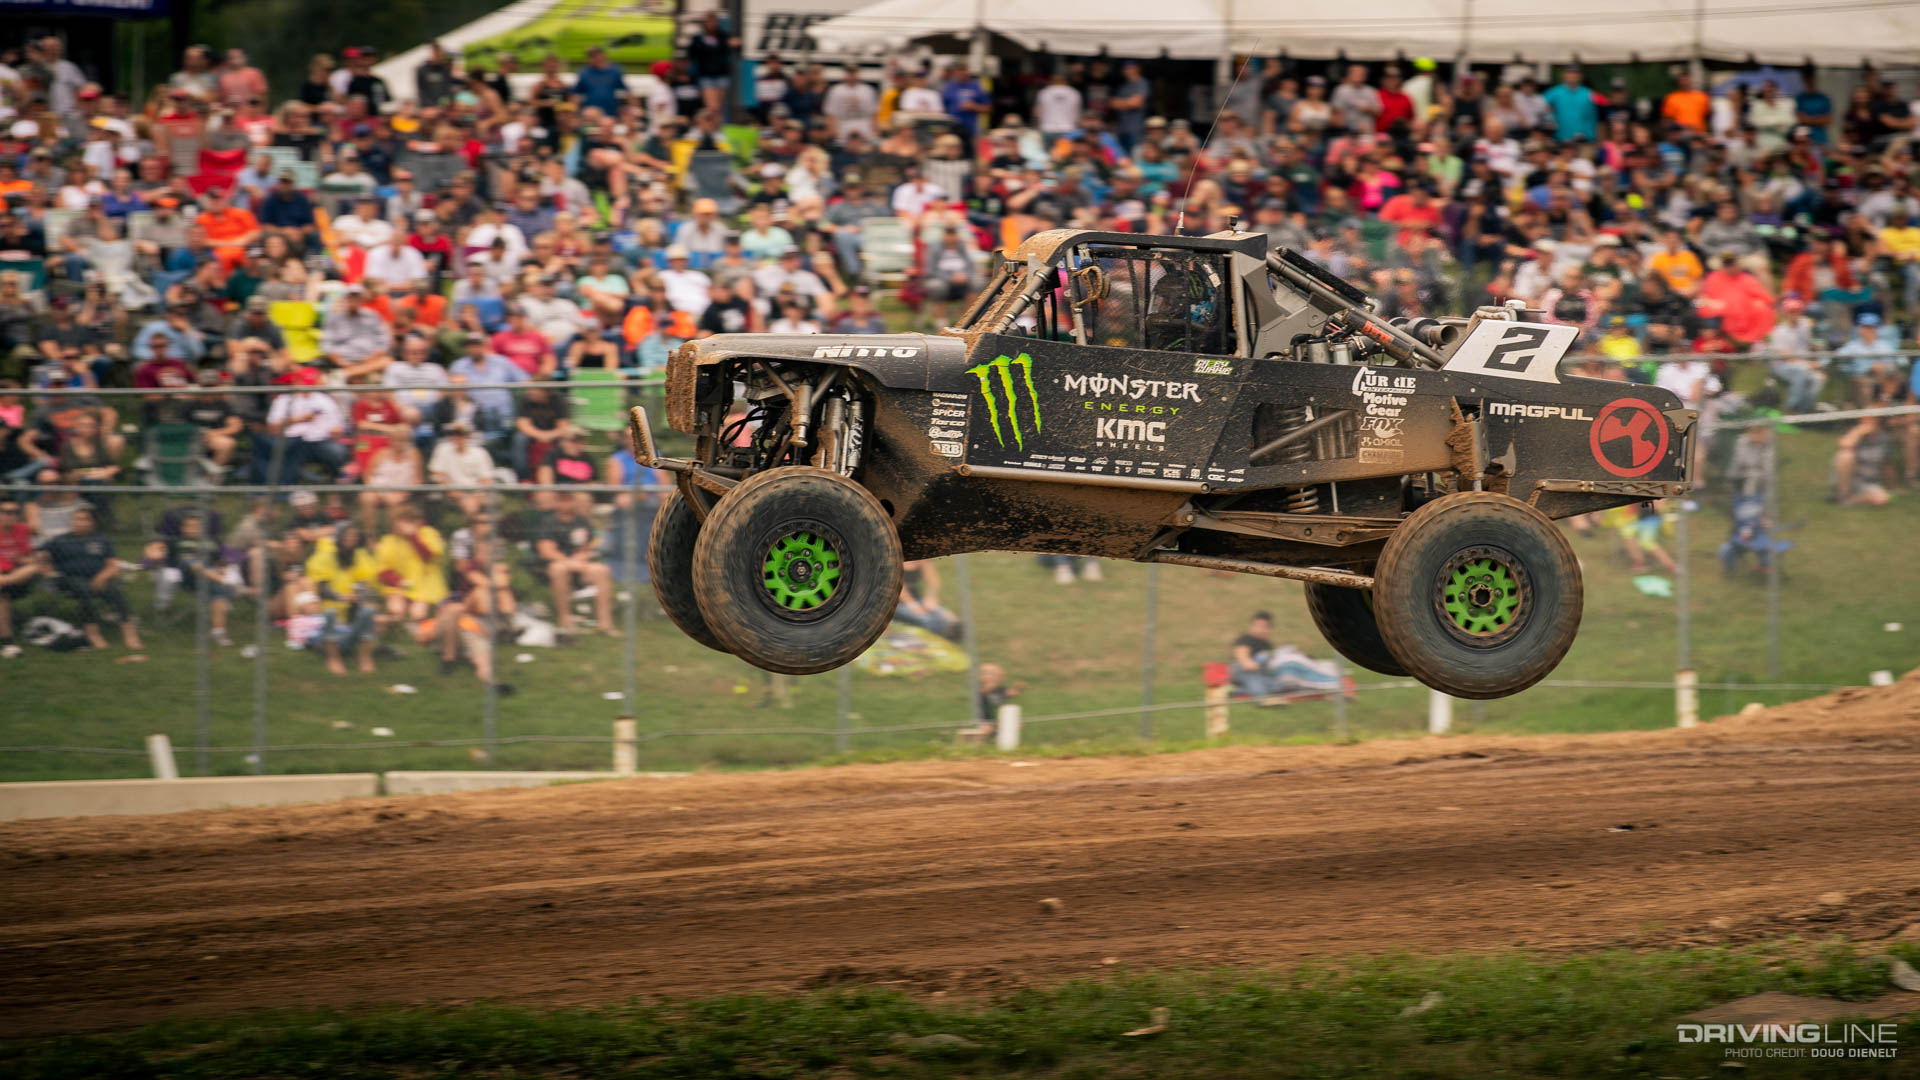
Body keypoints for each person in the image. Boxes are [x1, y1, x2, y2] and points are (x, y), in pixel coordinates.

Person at [41, 507, 142, 653]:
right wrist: (48, 570)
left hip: (99, 577)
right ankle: (93, 633)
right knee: (84, 590)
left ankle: (129, 634)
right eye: (77, 519)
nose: (81, 523)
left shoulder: (101, 539)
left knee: (116, 592)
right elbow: (42, 557)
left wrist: (101, 577)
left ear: (92, 523)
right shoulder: (60, 540)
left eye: (85, 519)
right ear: (72, 522)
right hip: (70, 579)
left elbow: (112, 565)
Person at [305, 521, 380, 674]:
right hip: (327, 622)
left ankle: (365, 658)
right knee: (330, 613)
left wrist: (359, 596)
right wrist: (341, 597)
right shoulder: (325, 557)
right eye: (348, 535)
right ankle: (333, 659)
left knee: (368, 611)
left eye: (354, 535)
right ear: (339, 537)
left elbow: (363, 583)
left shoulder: (360, 556)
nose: (352, 538)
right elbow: (322, 589)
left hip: (348, 623)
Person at [534, 498, 616, 635]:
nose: (565, 503)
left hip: (578, 564)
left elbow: (586, 547)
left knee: (601, 570)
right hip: (556, 565)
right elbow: (546, 551)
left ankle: (605, 625)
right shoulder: (548, 522)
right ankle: (565, 621)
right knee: (558, 569)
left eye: (568, 499)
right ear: (556, 502)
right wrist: (569, 562)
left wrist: (581, 557)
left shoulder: (581, 521)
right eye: (561, 499)